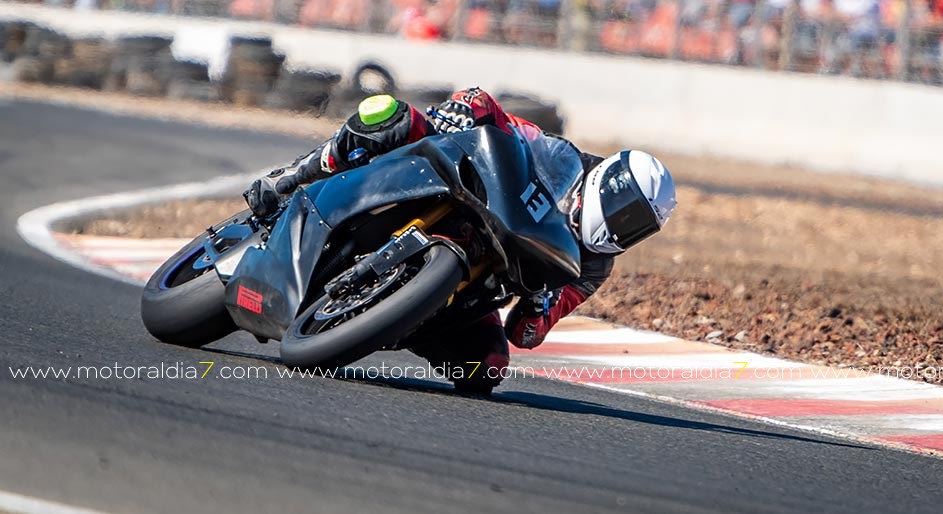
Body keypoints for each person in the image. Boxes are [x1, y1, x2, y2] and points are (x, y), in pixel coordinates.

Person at [244, 87, 677, 394]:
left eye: (637, 227)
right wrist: (463, 112)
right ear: (608, 184)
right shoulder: (566, 161)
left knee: (486, 370)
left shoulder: (593, 268)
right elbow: (497, 115)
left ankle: (398, 317)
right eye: (626, 213)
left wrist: (540, 303)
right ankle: (292, 178)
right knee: (391, 115)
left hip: (464, 286)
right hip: (446, 195)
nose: (623, 228)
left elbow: (526, 334)